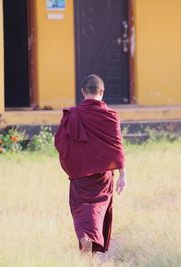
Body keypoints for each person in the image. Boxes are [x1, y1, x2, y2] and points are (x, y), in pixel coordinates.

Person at [54, 74, 127, 256]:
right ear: (102, 92)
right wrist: (123, 175)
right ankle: (90, 247)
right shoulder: (110, 116)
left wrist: (72, 164)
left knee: (82, 210)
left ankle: (85, 240)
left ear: (82, 92)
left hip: (79, 175)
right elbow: (116, 146)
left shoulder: (73, 115)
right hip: (102, 176)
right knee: (98, 210)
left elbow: (60, 143)